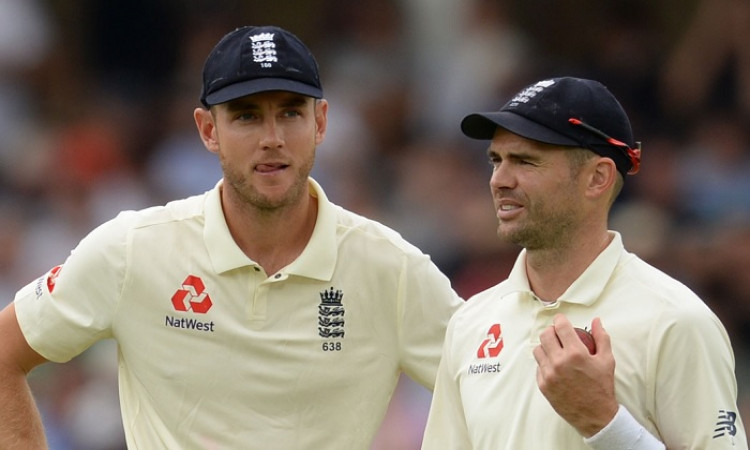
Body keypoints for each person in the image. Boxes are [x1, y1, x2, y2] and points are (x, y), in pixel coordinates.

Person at [0, 25, 463, 449]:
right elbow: (4, 355)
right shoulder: (133, 249)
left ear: (320, 122)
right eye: (246, 117)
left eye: (290, 113)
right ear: (208, 130)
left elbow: (494, 389)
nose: (272, 138)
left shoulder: (392, 267)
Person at [421, 77, 748, 449]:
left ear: (597, 178)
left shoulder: (677, 321)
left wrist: (604, 422)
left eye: (526, 161)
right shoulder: (470, 323)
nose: (499, 180)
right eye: (496, 160)